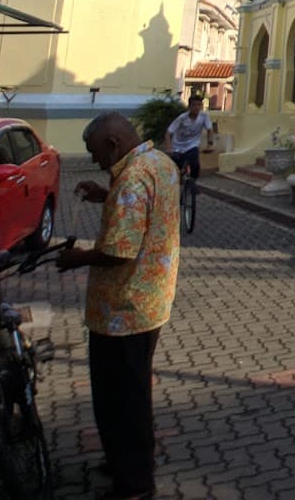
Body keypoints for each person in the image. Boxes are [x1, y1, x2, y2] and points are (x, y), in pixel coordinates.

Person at [57, 112, 180, 500]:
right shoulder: (159, 162)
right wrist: (105, 194)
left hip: (124, 309)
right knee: (132, 390)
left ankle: (135, 485)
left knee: (121, 397)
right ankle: (130, 461)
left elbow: (119, 251)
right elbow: (146, 209)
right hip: (151, 299)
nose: (94, 161)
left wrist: (77, 258)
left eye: (95, 153)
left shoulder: (130, 177)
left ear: (113, 144)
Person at [164, 93, 215, 183]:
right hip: (178, 146)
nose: (196, 107)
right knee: (175, 169)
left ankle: (192, 183)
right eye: (194, 105)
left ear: (202, 106)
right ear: (189, 106)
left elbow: (210, 130)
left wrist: (210, 145)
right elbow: (168, 132)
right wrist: (169, 148)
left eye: (199, 105)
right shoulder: (182, 118)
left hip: (192, 145)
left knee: (195, 163)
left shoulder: (204, 117)